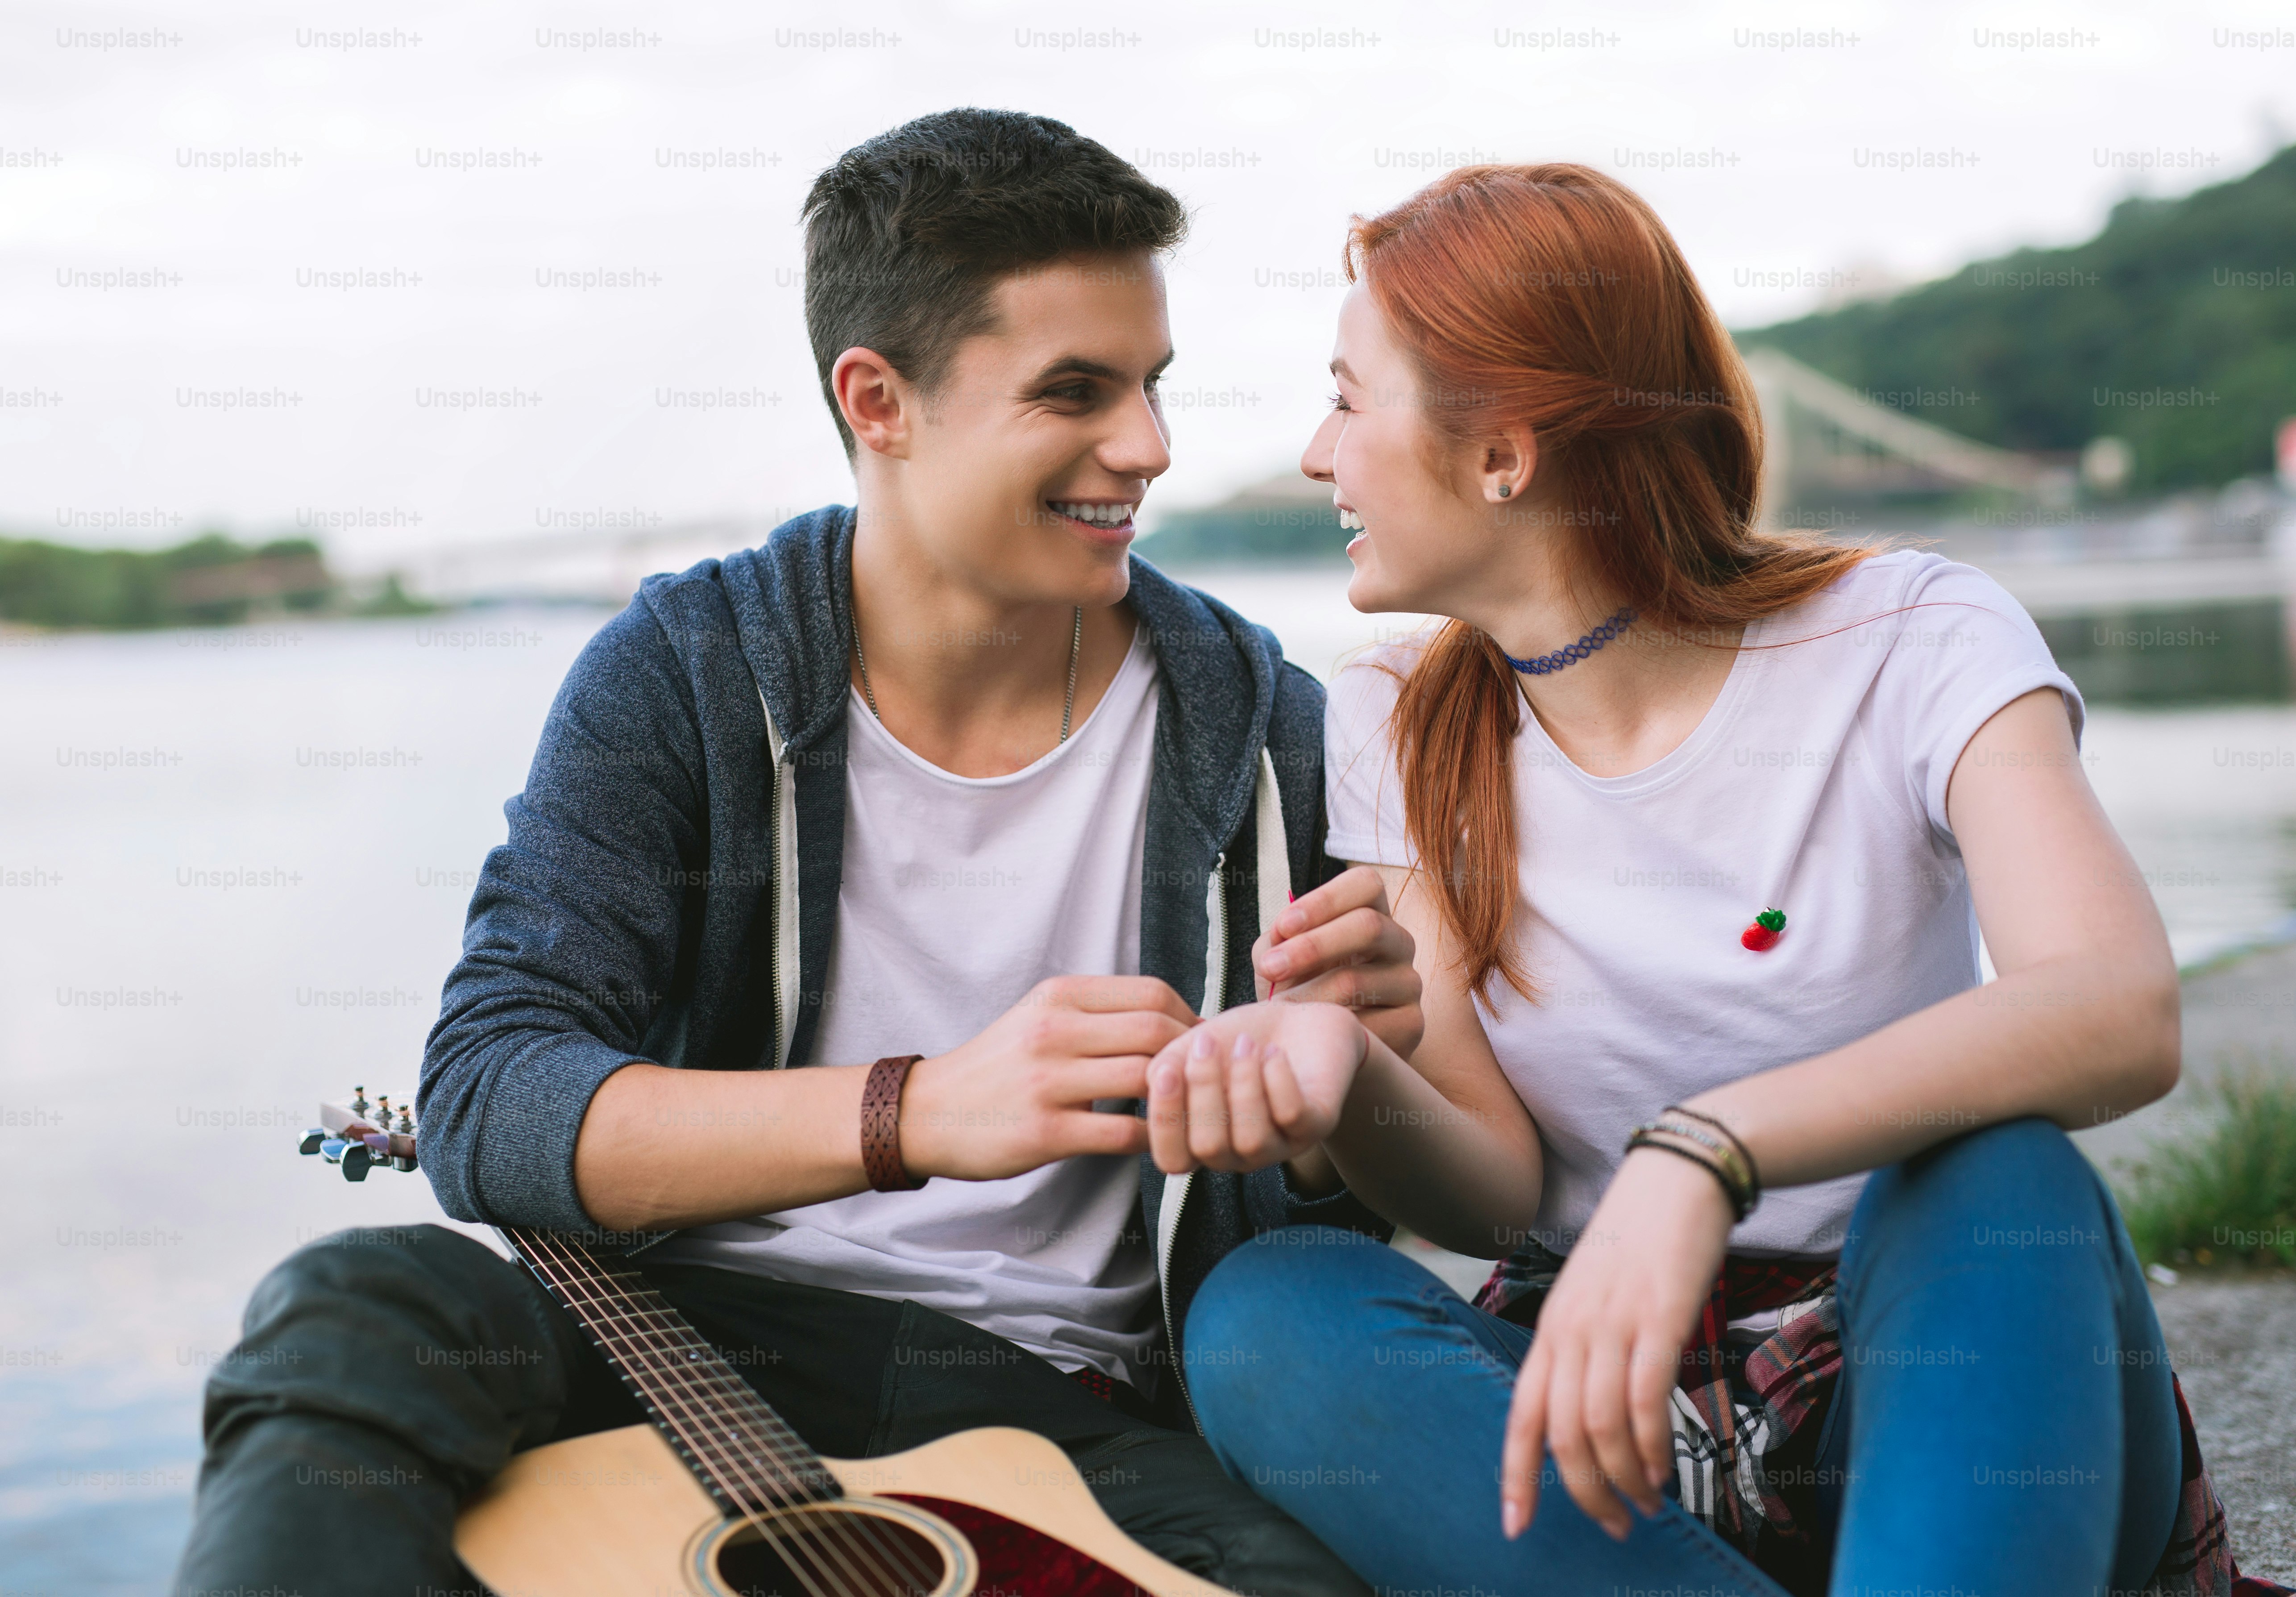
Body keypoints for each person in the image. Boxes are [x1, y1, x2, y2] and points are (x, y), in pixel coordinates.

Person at [171, 110, 1416, 1597]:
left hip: (1061, 1400)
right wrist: (923, 1108)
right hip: (683, 1326)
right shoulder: (687, 673)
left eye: (1152, 385)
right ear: (878, 400)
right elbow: (487, 1096)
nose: (1147, 446)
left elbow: (1333, 1205)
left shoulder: (1263, 722)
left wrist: (1348, 1095)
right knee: (357, 1302)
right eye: (1074, 391)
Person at [1137, 164, 2264, 1597]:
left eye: (1351, 398)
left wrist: (1704, 1149)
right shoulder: (1394, 712)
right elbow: (1496, 1194)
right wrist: (1344, 1066)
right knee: (1269, 1308)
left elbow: (2115, 1006)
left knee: (1996, 1174)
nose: (1316, 452)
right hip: (1618, 1413)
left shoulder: (1915, 634)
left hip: (1924, 1371)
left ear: (1505, 455)